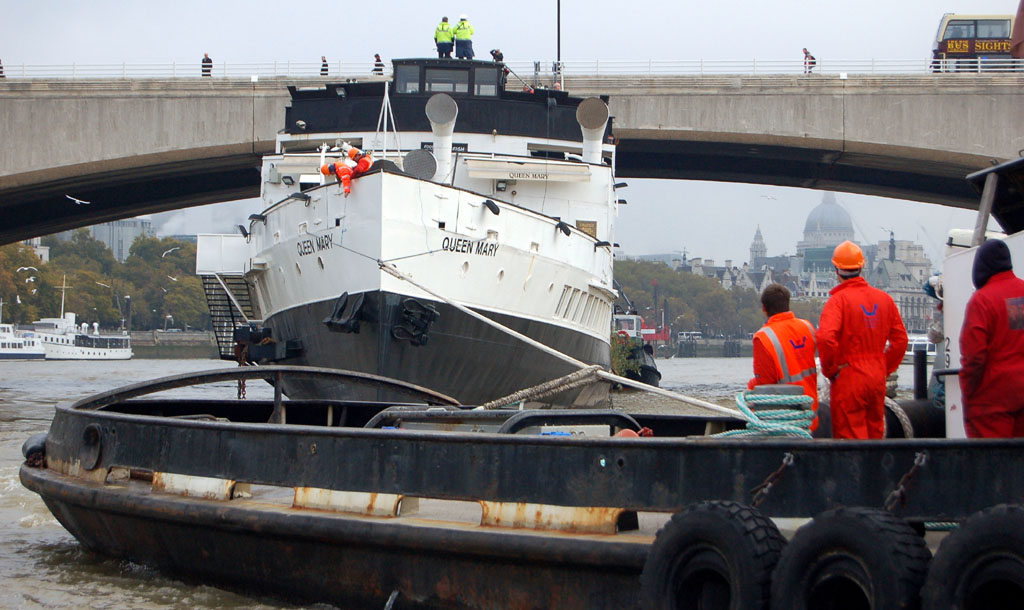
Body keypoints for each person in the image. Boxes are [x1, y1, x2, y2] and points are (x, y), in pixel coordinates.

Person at [816, 240, 908, 439]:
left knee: (849, 438)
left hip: (848, 376)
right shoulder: (885, 299)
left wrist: (831, 370)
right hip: (876, 377)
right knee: (876, 432)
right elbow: (900, 341)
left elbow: (825, 338)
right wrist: (883, 367)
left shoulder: (837, 302)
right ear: (862, 267)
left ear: (836, 270)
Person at [959, 239, 1024, 438]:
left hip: (991, 399)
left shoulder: (982, 300)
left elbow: (974, 356)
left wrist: (968, 390)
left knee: (991, 462)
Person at [747, 283, 820, 430]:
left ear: (764, 308)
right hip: (811, 413)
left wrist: (750, 387)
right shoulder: (807, 327)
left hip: (784, 421)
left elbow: (765, 385)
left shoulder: (763, 338)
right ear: (787, 304)